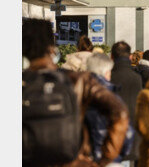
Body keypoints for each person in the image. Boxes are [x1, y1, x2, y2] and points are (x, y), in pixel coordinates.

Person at [22, 19, 128, 167]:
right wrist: (105, 158)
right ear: (52, 47)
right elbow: (120, 112)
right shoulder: (78, 80)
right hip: (74, 162)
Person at [85, 53, 135, 164]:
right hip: (108, 159)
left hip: (83, 160)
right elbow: (127, 134)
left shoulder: (77, 92)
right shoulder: (112, 98)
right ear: (107, 72)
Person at [110, 41, 143, 164]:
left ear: (112, 56)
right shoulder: (136, 78)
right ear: (130, 57)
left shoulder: (109, 77)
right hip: (132, 133)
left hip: (113, 133)